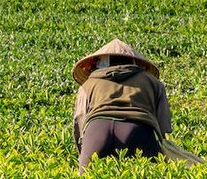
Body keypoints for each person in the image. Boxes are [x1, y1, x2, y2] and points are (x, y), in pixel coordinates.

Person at [71, 39, 176, 171]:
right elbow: (163, 123)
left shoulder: (88, 84)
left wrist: (84, 148)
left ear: (101, 62)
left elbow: (80, 119)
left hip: (97, 130)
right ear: (134, 61)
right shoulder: (153, 82)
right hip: (139, 130)